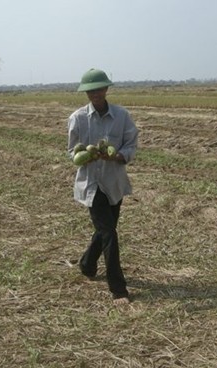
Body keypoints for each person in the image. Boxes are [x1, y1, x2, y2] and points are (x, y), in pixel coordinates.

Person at [67, 68, 138, 304]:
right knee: (109, 233)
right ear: (86, 93)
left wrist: (116, 156)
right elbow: (71, 152)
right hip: (91, 184)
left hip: (114, 183)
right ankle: (118, 289)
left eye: (98, 89)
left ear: (106, 89)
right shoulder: (77, 118)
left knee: (105, 231)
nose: (95, 94)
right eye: (90, 90)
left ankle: (87, 265)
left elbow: (131, 145)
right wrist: (85, 156)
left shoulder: (121, 116)